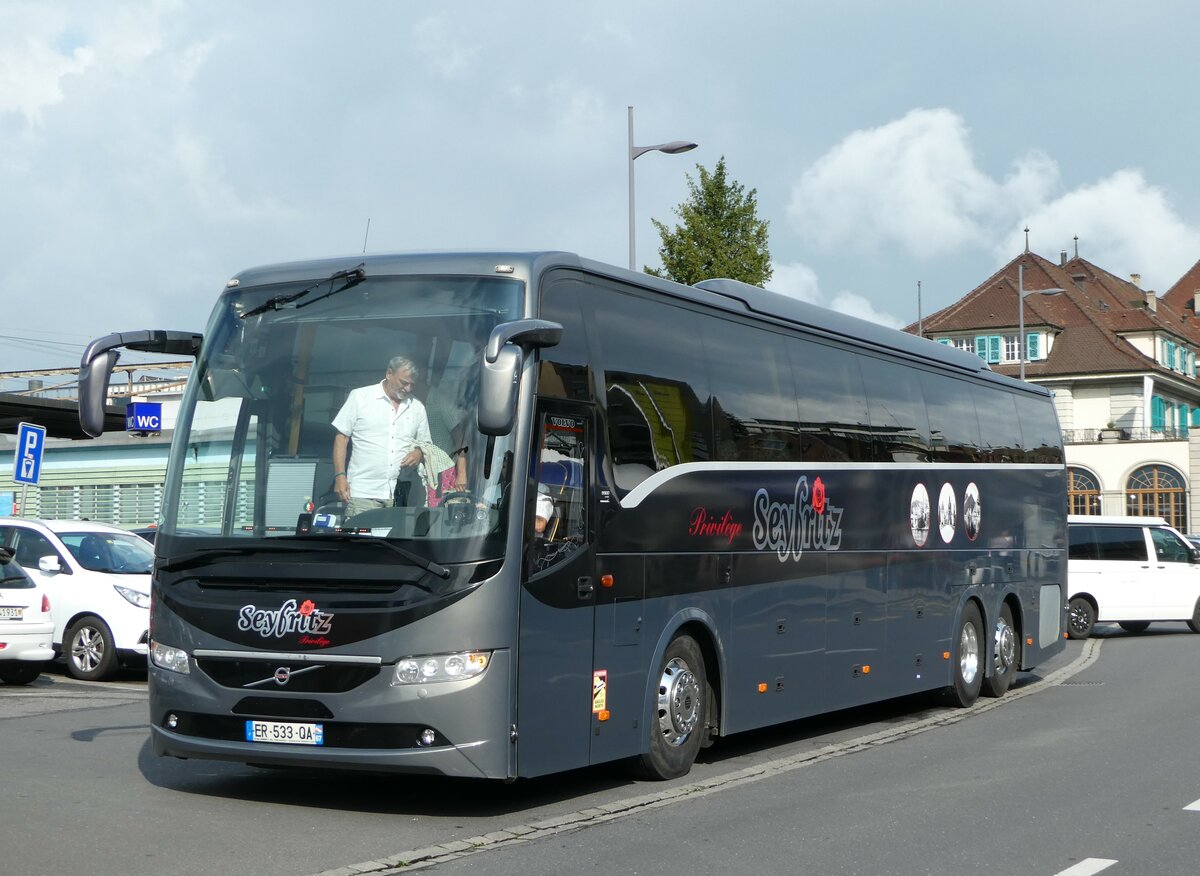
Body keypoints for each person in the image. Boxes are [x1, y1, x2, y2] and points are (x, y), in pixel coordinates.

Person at [331, 355, 432, 517]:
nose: (407, 388)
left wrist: (418, 452)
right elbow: (341, 438)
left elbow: (427, 444)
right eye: (403, 382)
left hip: (402, 495)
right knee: (361, 542)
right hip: (364, 492)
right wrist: (339, 476)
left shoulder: (417, 407)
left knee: (396, 543)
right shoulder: (360, 397)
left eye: (411, 384)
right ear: (389, 373)